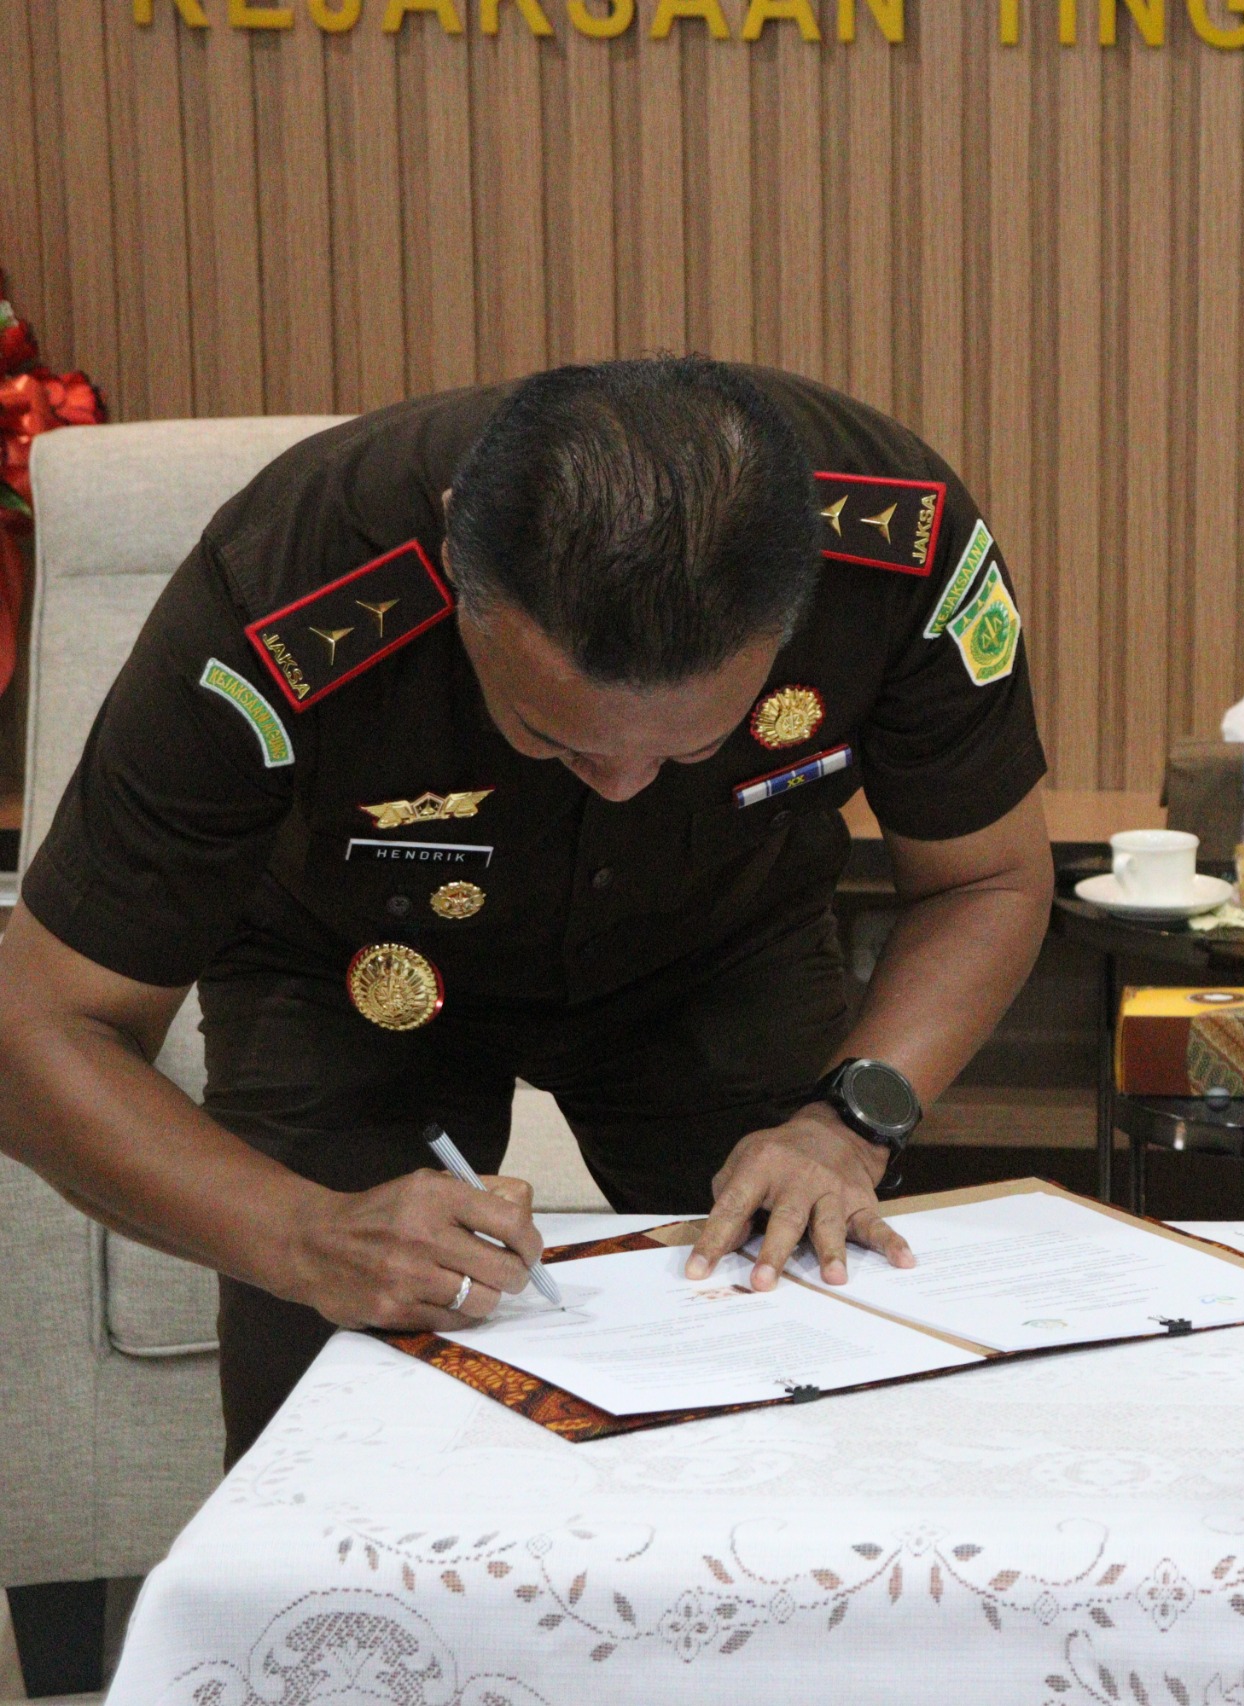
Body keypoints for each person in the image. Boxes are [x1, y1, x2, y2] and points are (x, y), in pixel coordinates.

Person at [0, 357, 1055, 1461]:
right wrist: (306, 1235)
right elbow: (39, 1034)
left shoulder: (900, 550)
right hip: (350, 966)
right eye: (556, 737)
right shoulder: (282, 591)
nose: (624, 785)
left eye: (691, 747)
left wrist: (845, 1126)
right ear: (461, 570)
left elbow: (986, 880)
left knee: (806, 1386)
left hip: (721, 944)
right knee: (340, 1428)